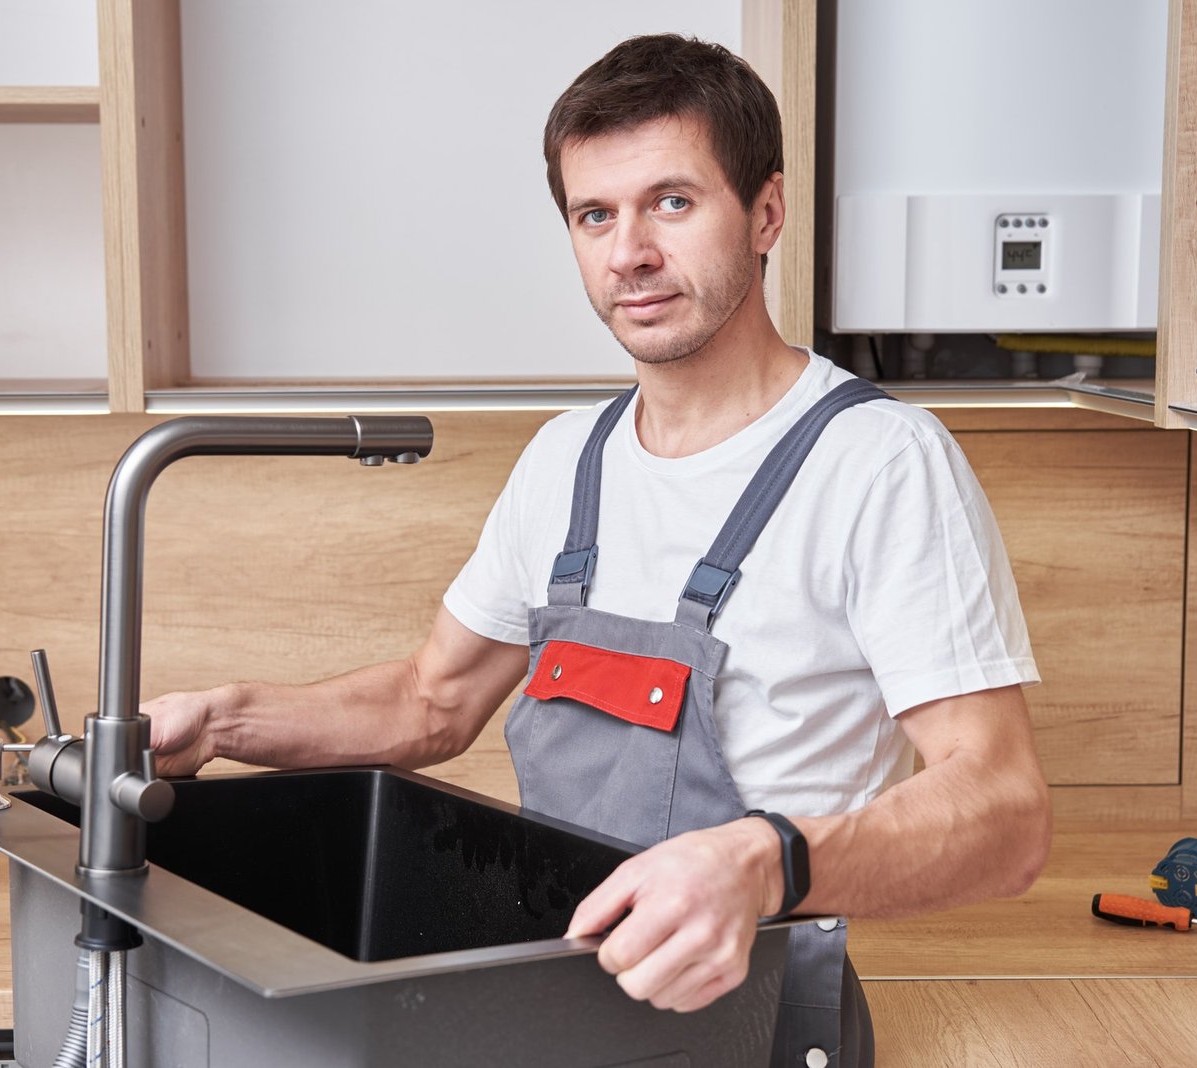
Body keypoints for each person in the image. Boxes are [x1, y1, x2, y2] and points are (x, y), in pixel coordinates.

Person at [145, 33, 1051, 1067]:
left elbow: (1004, 813)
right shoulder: (564, 460)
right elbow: (428, 702)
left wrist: (762, 864)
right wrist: (222, 718)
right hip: (554, 994)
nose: (629, 253)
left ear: (765, 212)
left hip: (753, 1017)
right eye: (594, 215)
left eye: (672, 202)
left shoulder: (879, 464)